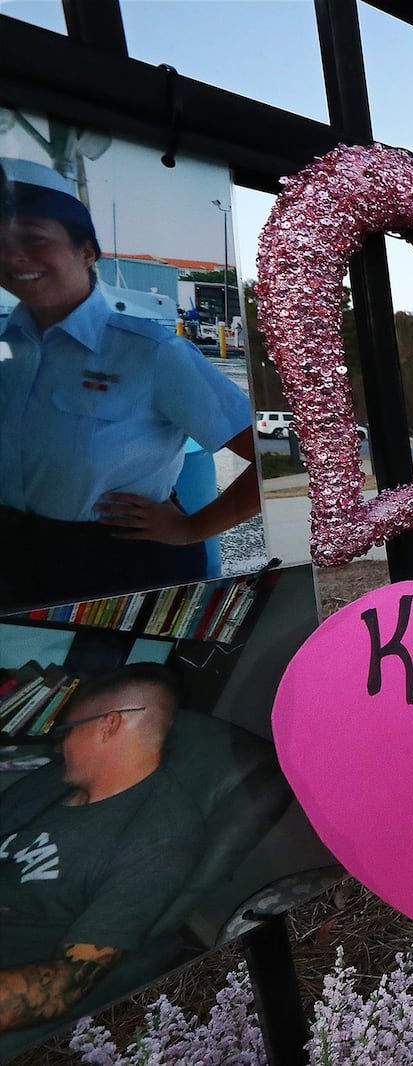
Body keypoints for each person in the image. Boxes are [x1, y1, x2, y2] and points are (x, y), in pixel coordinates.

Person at [0, 158, 261, 613]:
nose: (12, 256)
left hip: (121, 561)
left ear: (86, 252)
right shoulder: (6, 348)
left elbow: (269, 460)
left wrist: (190, 529)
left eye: (33, 239)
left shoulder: (153, 353)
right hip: (14, 554)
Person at [0, 664, 203, 1033]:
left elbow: (64, 983)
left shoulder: (161, 839)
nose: (59, 743)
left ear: (108, 725)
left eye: (66, 730)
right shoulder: (56, 779)